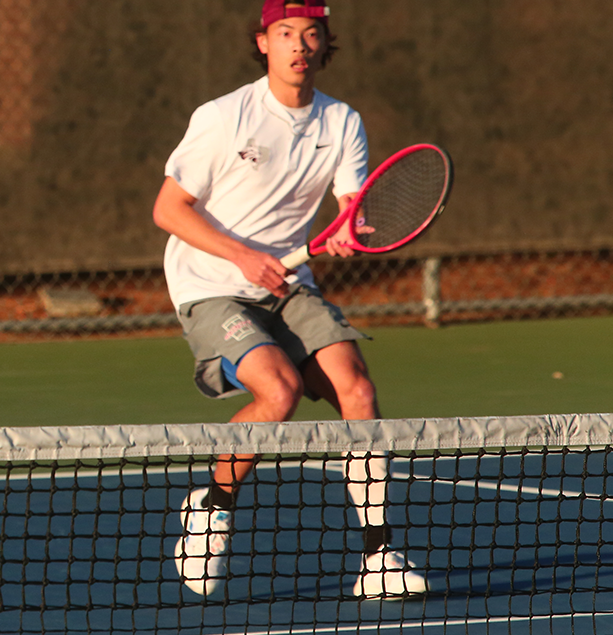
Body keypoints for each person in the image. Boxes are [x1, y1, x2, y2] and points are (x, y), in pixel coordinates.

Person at [152, 0, 427, 599]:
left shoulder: (341, 122)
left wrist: (351, 234)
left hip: (289, 286)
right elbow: (167, 210)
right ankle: (210, 508)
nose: (299, 45)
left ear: (326, 47)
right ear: (263, 44)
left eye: (311, 35)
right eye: (285, 34)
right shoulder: (224, 117)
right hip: (211, 285)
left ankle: (379, 554)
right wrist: (242, 255)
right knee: (279, 391)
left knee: (356, 388)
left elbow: (353, 210)